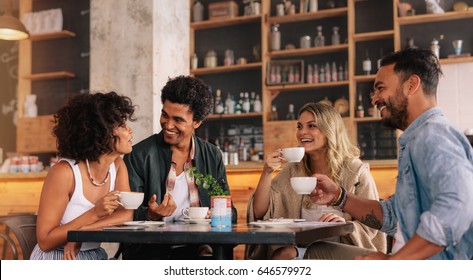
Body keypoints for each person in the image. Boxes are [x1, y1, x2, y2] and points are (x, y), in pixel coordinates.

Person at [312, 48, 473, 259]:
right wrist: (338, 196)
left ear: (411, 85)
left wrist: (394, 264)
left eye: (381, 88)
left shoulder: (433, 135)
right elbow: (394, 215)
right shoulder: (416, 138)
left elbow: (457, 206)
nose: (375, 99)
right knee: (316, 252)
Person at [247, 102, 386, 260]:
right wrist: (267, 172)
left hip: (345, 252)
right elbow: (260, 211)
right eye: (299, 126)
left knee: (285, 255)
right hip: (304, 251)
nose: (302, 132)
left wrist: (346, 225)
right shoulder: (294, 169)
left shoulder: (355, 172)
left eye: (312, 126)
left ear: (329, 131)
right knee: (285, 254)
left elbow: (373, 222)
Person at [122, 75, 237, 260]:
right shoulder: (138, 155)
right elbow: (124, 214)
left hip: (201, 254)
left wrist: (216, 214)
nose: (168, 125)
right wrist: (150, 215)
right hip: (151, 254)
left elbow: (231, 213)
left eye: (178, 120)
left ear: (197, 122)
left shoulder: (212, 154)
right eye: (164, 115)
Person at [30, 92, 136, 260]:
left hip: (94, 256)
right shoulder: (64, 173)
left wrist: (82, 233)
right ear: (103, 132)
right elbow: (45, 241)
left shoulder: (118, 165)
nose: (130, 130)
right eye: (122, 125)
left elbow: (125, 215)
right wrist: (95, 213)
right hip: (59, 258)